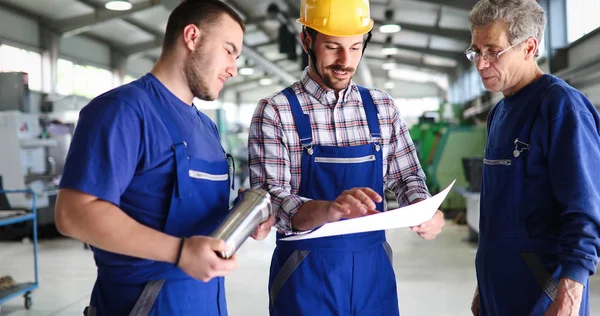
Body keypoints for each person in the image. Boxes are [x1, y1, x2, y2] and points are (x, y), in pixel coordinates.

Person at [54, 1, 274, 315]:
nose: (233, 69)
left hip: (205, 303)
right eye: (229, 51)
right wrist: (181, 252)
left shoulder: (206, 127)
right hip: (141, 306)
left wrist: (242, 220)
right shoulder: (123, 110)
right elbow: (73, 213)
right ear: (192, 37)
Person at [248, 0, 445, 314]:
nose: (346, 60)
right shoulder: (276, 111)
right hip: (305, 274)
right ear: (306, 40)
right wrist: (328, 209)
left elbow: (407, 177)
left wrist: (423, 209)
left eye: (355, 47)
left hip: (373, 272)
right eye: (333, 47)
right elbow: (271, 199)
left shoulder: (383, 107)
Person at [466, 0, 600, 315]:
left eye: (493, 52)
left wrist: (568, 296)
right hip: (498, 290)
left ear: (529, 47)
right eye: (475, 51)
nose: (481, 64)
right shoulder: (498, 112)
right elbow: (497, 212)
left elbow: (585, 210)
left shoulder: (562, 107)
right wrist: (482, 288)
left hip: (545, 294)